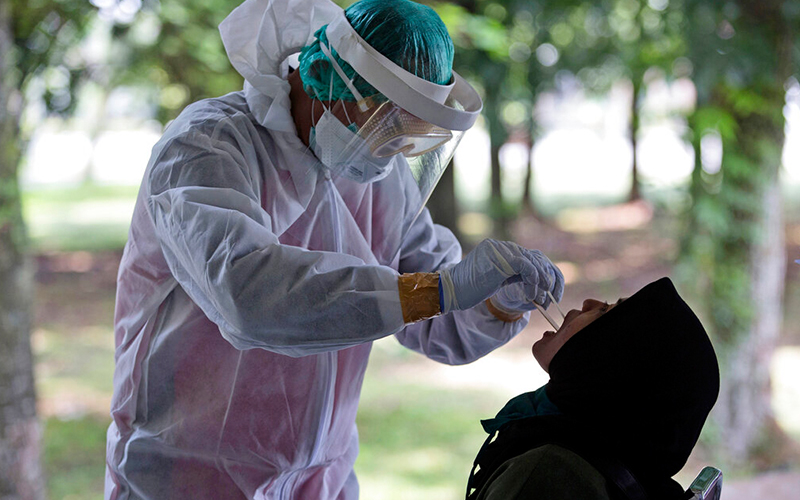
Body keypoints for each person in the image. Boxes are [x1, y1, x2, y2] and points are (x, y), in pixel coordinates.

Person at [105, 0, 565, 498]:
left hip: (321, 478)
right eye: (387, 121)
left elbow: (434, 314)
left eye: (409, 134)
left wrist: (495, 303)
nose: (395, 148)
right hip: (188, 475)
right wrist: (440, 290)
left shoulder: (381, 182)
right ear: (326, 78)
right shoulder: (208, 146)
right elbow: (249, 298)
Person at [466, 277, 720, 500]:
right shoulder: (628, 471)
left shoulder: (548, 475)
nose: (588, 302)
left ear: (611, 361)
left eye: (605, 311)